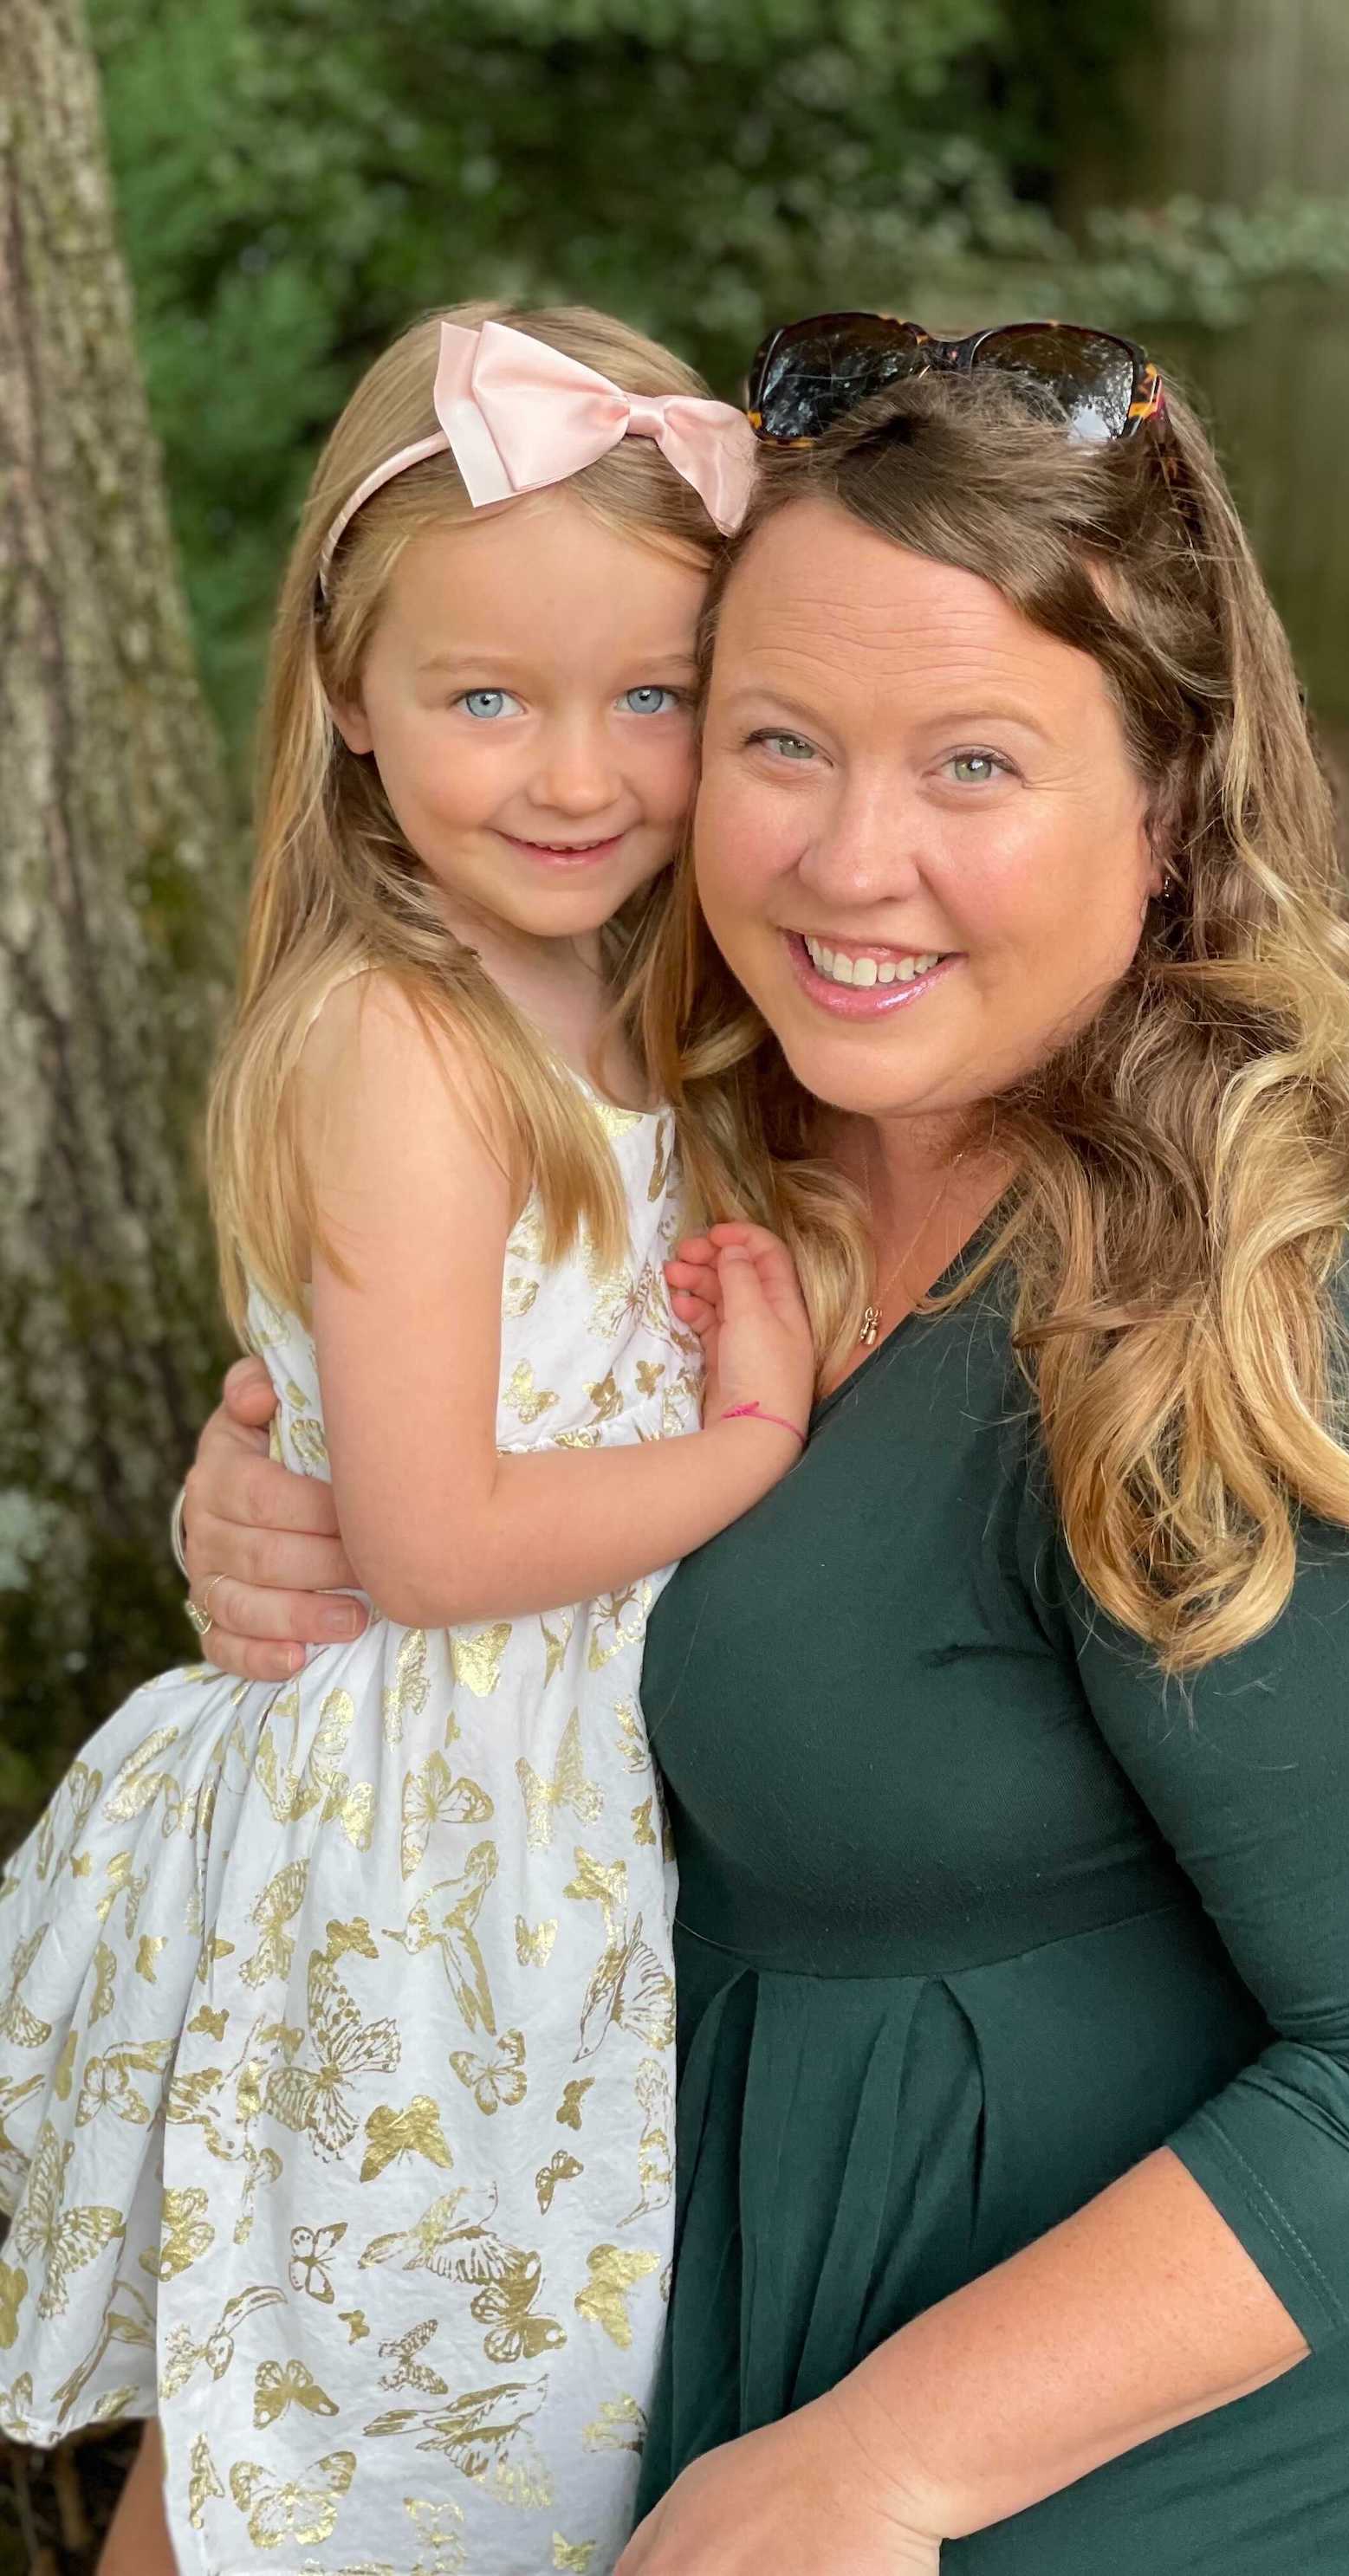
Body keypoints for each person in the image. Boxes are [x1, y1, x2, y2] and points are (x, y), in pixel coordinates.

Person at [176, 315, 1349, 2572]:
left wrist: (888, 2466)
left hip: (1117, 2483)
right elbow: (472, 1512)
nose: (850, 864)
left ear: (1165, 797)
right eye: (781, 740)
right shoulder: (688, 1105)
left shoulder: (1267, 1267)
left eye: (972, 765)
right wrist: (283, 1510)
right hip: (598, 2333)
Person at [0, 300, 814, 2576]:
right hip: (417, 1858)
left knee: (410, 2439)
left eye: (652, 695)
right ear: (350, 706)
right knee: (309, 2438)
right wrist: (750, 1438)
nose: (577, 775)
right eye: (486, 698)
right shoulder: (405, 1044)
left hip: (550, 1857)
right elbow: (436, 1539)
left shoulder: (643, 1009)